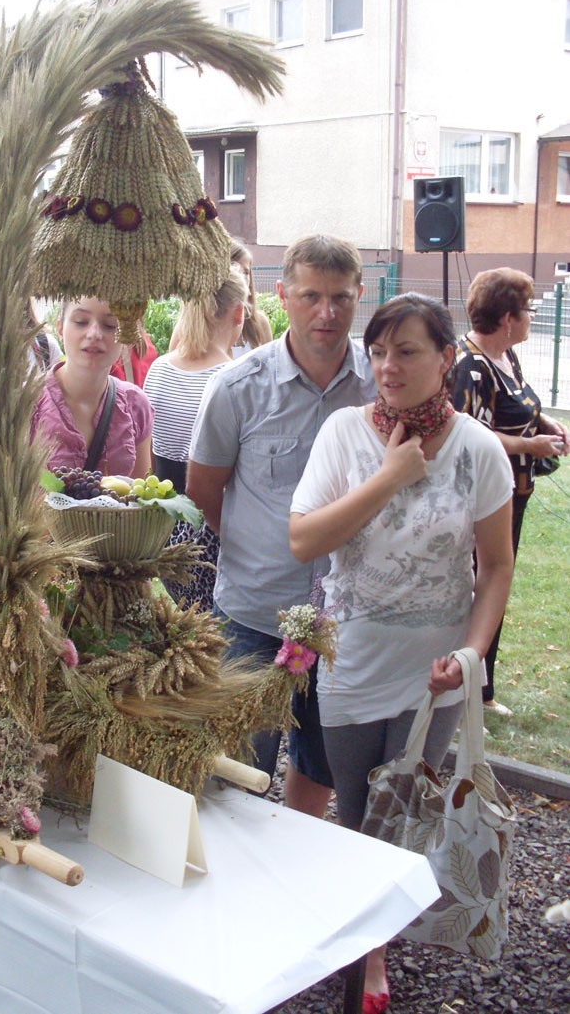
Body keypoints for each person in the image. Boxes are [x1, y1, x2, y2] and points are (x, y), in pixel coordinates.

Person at [289, 293, 514, 1012]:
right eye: (378, 351)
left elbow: (496, 566)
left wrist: (471, 656)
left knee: (406, 808)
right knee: (356, 808)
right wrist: (389, 474)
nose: (387, 366)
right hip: (350, 658)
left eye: (407, 351)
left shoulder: (479, 450)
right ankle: (364, 943)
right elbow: (304, 540)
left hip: (434, 670)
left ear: (445, 359)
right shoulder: (342, 435)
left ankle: (372, 949)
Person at [187, 234, 376, 813]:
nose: (327, 313)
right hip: (253, 614)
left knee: (320, 767)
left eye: (341, 298)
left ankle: (295, 873)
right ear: (282, 295)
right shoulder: (238, 388)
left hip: (346, 621)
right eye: (311, 296)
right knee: (233, 775)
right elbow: (203, 491)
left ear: (359, 296)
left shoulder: (378, 386)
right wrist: (260, 549)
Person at [453, 268, 570, 715]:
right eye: (528, 310)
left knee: (495, 587)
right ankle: (469, 691)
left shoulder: (505, 357)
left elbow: (524, 400)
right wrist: (529, 444)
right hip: (483, 500)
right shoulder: (471, 366)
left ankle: (483, 691)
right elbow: (468, 431)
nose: (531, 318)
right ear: (507, 318)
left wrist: (548, 424)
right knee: (481, 590)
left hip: (513, 494)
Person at [143, 266, 247, 611]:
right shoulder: (234, 378)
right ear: (238, 313)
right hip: (217, 538)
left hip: (166, 533)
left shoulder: (159, 370)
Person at [31, 296, 153, 478]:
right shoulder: (27, 403)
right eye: (81, 322)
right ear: (60, 328)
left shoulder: (135, 405)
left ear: (127, 335)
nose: (94, 334)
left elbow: (141, 498)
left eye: (110, 325)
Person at [169, 239, 272, 355]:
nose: (241, 277)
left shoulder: (260, 323)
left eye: (246, 272)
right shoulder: (191, 326)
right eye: (234, 270)